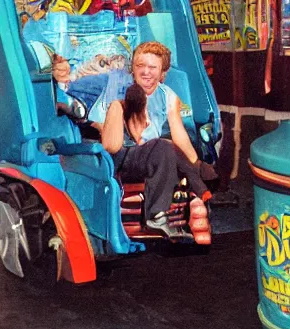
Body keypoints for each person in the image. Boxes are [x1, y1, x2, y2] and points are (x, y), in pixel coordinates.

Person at [90, 41, 212, 239]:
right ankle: (157, 214)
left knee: (169, 147)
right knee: (164, 147)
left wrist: (194, 161)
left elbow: (179, 132)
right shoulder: (119, 91)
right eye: (140, 66)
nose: (146, 72)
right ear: (133, 69)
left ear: (162, 72)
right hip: (123, 154)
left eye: (152, 67)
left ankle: (194, 196)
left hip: (153, 154)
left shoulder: (167, 95)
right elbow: (103, 132)